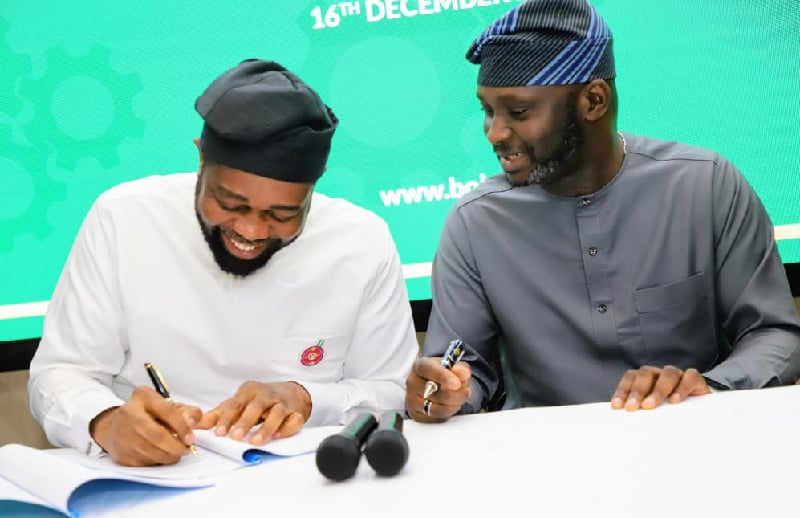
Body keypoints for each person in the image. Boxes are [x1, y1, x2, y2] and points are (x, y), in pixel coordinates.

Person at [406, 0, 800, 422]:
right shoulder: (474, 223)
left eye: (518, 112)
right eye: (488, 111)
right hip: (541, 454)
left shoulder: (706, 185)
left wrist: (711, 386)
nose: (494, 132)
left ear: (593, 100)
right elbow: (461, 373)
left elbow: (774, 334)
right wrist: (438, 393)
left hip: (692, 439)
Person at [28, 59, 419, 466]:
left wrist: (307, 398)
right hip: (153, 478)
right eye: (231, 204)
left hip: (307, 479)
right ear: (201, 158)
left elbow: (393, 393)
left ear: (314, 185)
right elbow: (60, 373)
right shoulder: (124, 217)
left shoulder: (361, 241)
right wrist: (107, 422)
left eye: (282, 214)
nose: (250, 231)